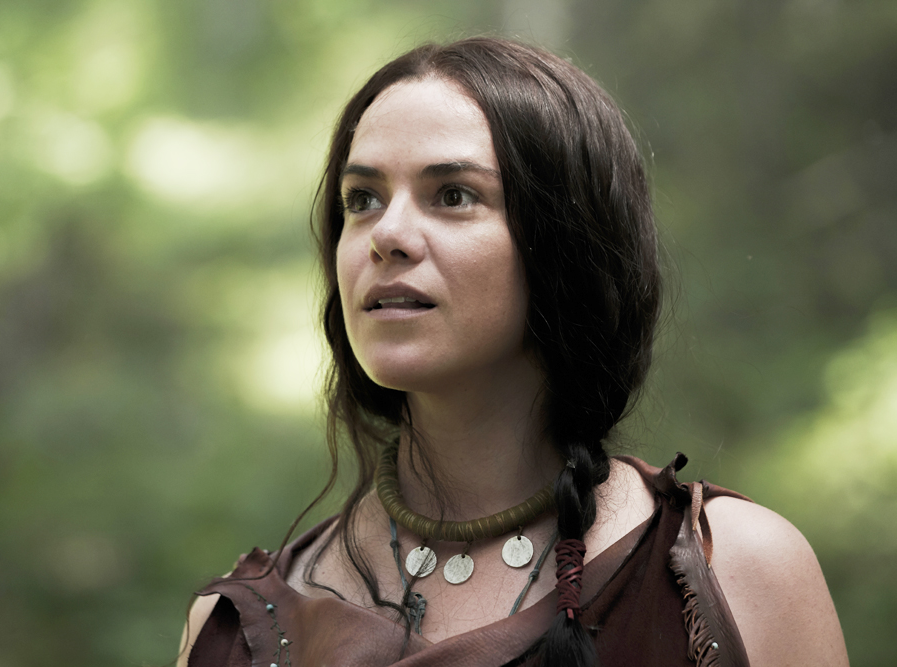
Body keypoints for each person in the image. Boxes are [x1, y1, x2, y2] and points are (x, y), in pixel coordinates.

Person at [178, 37, 848, 667]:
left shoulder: (732, 572)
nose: (388, 234)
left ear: (566, 246)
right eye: (362, 199)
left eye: (454, 195)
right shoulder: (230, 630)